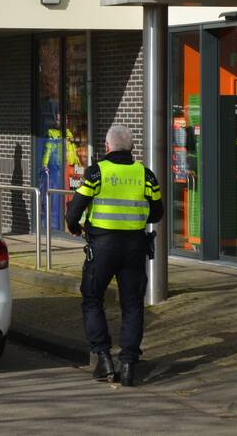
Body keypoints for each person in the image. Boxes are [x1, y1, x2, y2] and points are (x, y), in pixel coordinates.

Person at [66, 124, 163, 386]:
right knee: (132, 305)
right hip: (134, 248)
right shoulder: (146, 175)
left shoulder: (97, 172)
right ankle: (129, 363)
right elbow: (157, 213)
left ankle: (104, 358)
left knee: (92, 299)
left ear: (107, 147)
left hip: (103, 248)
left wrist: (75, 228)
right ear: (131, 148)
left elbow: (74, 210)